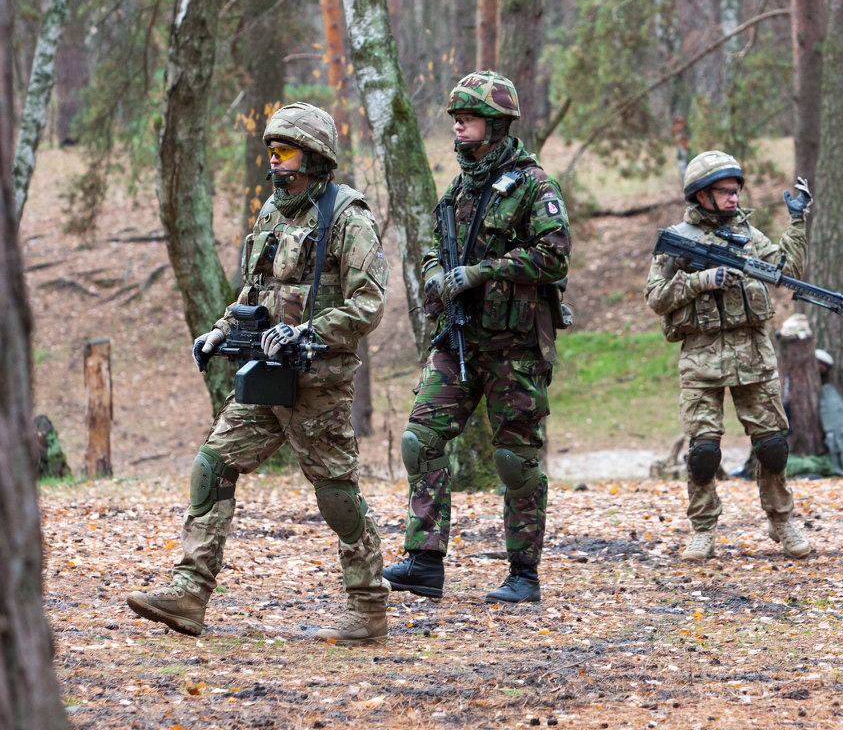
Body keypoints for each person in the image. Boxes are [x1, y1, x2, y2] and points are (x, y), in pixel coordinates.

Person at [127, 102, 391, 642]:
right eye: (271, 152)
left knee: (336, 496)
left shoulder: (348, 216)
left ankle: (368, 609)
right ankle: (189, 592)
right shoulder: (271, 213)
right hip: (265, 379)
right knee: (212, 465)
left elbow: (369, 304)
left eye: (286, 152)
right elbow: (255, 291)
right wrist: (221, 331)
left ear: (315, 158)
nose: (274, 162)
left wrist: (307, 332)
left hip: (318, 384)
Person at [382, 71, 570, 604]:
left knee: (515, 459)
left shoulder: (536, 186)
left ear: (495, 124)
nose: (457, 130)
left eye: (465, 121)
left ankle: (523, 574)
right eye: (456, 122)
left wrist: (483, 272)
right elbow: (434, 247)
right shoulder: (459, 187)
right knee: (421, 440)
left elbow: (554, 256)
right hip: (458, 339)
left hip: (515, 348)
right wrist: (438, 272)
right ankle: (423, 562)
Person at [645, 150, 813, 561]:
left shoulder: (749, 236)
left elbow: (787, 269)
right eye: (724, 191)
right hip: (701, 358)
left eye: (736, 190)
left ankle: (781, 520)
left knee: (773, 445)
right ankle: (703, 529)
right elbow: (656, 296)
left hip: (753, 354)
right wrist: (702, 280)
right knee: (703, 453)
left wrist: (797, 221)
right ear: (701, 195)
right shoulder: (677, 240)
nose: (734, 198)